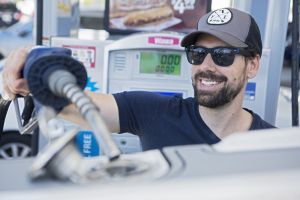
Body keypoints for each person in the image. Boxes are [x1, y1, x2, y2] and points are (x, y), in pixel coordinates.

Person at [2, 8, 275, 151]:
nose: (206, 66)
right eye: (197, 53)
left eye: (223, 55)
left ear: (252, 65)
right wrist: (31, 65)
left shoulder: (274, 146)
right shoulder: (153, 112)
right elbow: (72, 102)